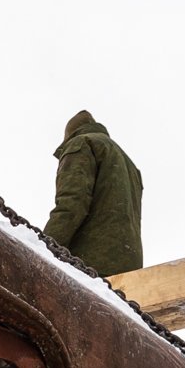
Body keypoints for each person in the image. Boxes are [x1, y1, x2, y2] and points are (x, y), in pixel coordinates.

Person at [42, 110, 143, 277]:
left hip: (92, 262)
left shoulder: (81, 144)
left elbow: (71, 204)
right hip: (129, 265)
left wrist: (43, 247)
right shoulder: (129, 165)